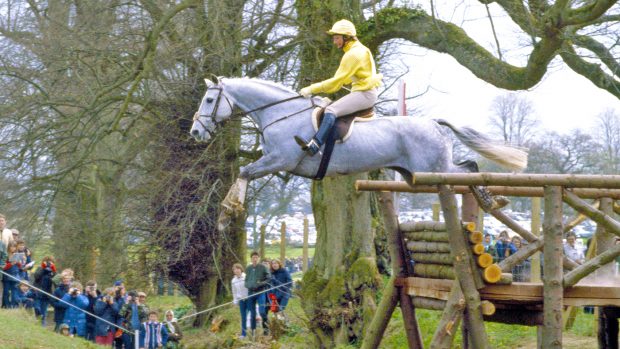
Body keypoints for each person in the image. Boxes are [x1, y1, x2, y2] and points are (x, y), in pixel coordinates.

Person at [294, 19, 382, 156]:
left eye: (336, 38)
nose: (334, 42)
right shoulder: (359, 49)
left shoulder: (353, 54)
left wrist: (311, 89)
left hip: (365, 94)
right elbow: (348, 78)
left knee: (331, 110)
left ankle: (315, 145)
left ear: (346, 37)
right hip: (365, 91)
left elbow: (335, 83)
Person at [245, 251, 270, 337]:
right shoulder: (248, 268)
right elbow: (246, 280)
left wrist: (260, 284)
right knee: (252, 313)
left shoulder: (263, 267)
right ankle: (253, 332)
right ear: (251, 259)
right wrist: (248, 285)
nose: (255, 259)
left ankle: (266, 328)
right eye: (253, 257)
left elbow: (268, 278)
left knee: (262, 312)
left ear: (258, 258)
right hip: (251, 293)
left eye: (256, 257)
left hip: (260, 292)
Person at [32, 256, 57, 326]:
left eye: (51, 262)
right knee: (37, 309)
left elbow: (56, 281)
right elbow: (37, 277)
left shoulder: (52, 271)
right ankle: (36, 324)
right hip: (38, 293)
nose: (49, 263)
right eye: (47, 261)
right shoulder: (39, 268)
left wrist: (53, 270)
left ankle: (42, 327)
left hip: (46, 295)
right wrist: (43, 268)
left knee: (44, 313)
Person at [231, 263, 249, 339]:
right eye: (235, 269)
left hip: (249, 299)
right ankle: (244, 334)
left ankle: (252, 332)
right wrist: (235, 301)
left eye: (238, 268)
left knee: (249, 315)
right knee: (243, 317)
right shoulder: (233, 280)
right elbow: (234, 292)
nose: (236, 270)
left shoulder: (246, 277)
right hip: (241, 300)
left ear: (241, 269)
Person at [2, 241, 21, 308]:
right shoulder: (5, 255)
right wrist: (11, 264)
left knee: (14, 291)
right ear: (9, 247)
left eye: (14, 247)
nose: (13, 248)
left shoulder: (17, 254)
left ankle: (13, 305)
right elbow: (3, 267)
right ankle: (6, 305)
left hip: (15, 275)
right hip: (7, 275)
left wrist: (18, 262)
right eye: (11, 246)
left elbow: (20, 266)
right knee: (6, 291)